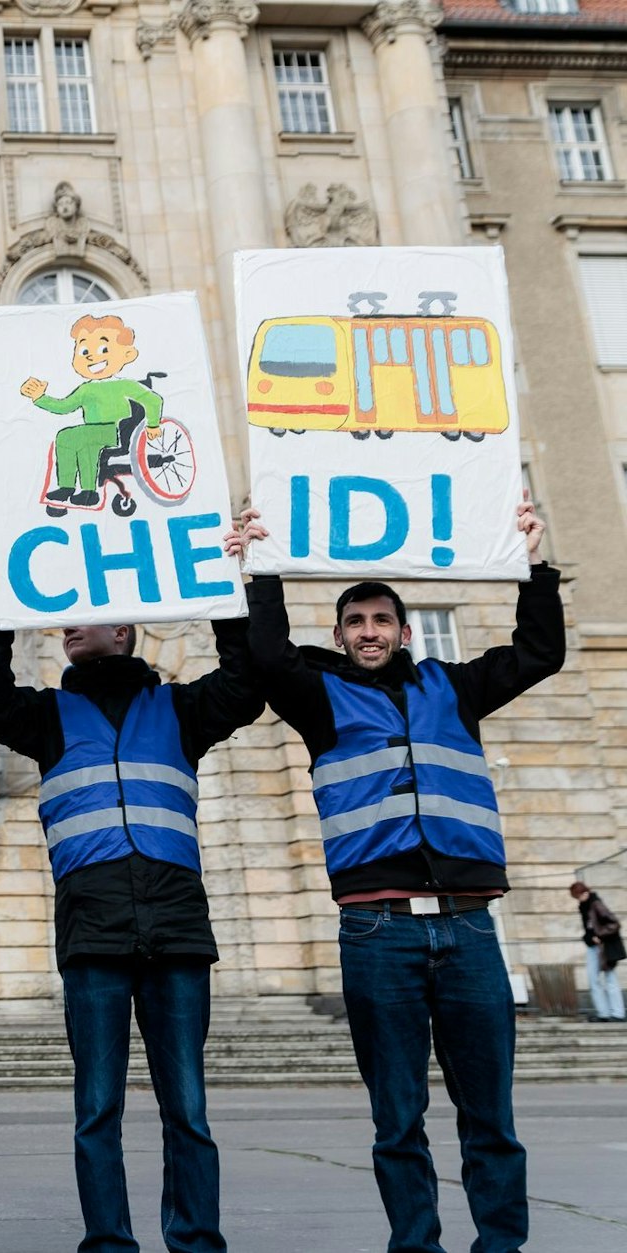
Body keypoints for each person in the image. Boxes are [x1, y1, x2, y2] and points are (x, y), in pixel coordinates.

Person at [240, 496, 560, 1253]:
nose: (370, 632)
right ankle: (415, 1244)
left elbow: (539, 652)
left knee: (491, 1115)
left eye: (382, 620)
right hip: (377, 928)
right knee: (397, 1116)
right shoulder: (320, 696)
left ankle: (500, 1245)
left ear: (404, 631)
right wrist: (259, 565)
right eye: (356, 622)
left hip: (469, 925)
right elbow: (265, 654)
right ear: (341, 636)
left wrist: (536, 565)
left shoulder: (455, 688)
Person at [0, 536, 262, 1253]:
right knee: (97, 1108)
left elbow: (247, 682)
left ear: (124, 629)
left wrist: (228, 585)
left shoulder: (181, 710)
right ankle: (109, 1242)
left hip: (179, 933)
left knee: (186, 1107)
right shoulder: (45, 716)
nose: (64, 622)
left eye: (79, 613)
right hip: (93, 934)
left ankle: (195, 1240)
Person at [20, 314, 163, 508]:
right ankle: (88, 491)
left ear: (127, 355)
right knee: (86, 446)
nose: (91, 356)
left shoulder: (124, 385)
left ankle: (67, 486)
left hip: (117, 432)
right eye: (84, 350)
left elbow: (153, 400)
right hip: (95, 433)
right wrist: (39, 397)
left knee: (68, 437)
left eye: (103, 349)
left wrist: (153, 424)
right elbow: (64, 406)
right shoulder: (86, 389)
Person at [572, 881, 626, 1022]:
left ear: (585, 892)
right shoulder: (585, 906)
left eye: (579, 895)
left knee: (610, 979)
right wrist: (590, 937)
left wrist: (599, 935)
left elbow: (614, 923)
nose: (579, 899)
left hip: (603, 948)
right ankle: (604, 1013)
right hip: (594, 947)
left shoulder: (595, 904)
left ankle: (617, 1013)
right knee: (594, 980)